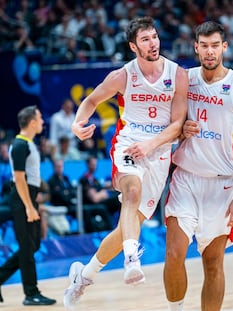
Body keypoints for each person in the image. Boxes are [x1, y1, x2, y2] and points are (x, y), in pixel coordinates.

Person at [63, 16, 188, 309]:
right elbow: (91, 101)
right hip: (128, 144)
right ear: (134, 46)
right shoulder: (123, 76)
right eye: (145, 39)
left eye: (154, 37)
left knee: (124, 229)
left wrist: (152, 144)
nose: (153, 43)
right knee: (130, 193)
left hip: (157, 154)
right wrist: (77, 124)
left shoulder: (177, 74)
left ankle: (83, 277)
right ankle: (133, 258)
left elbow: (177, 124)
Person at [163, 21, 233, 311]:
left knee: (213, 263)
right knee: (173, 253)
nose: (209, 51)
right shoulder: (183, 79)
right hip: (186, 178)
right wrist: (180, 130)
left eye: (215, 45)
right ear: (195, 47)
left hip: (223, 184)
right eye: (203, 45)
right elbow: (166, 125)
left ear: (224, 47)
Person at [0, 105, 56, 306]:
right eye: (40, 118)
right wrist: (29, 207)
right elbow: (19, 178)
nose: (42, 121)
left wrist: (33, 203)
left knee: (33, 245)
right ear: (32, 122)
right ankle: (31, 293)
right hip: (22, 199)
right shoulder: (20, 144)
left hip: (28, 197)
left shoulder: (28, 143)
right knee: (27, 247)